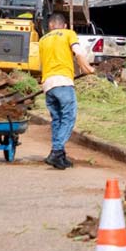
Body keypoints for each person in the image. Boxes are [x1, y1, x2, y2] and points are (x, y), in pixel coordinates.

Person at [38, 13, 95, 169]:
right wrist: (88, 68)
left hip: (48, 84)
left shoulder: (42, 40)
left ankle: (60, 156)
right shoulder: (69, 34)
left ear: (50, 26)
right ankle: (56, 151)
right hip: (63, 81)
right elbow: (79, 53)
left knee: (57, 119)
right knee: (69, 118)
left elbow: (40, 66)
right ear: (63, 25)